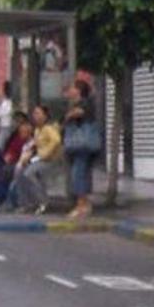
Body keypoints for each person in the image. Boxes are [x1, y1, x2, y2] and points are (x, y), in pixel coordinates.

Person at [14, 104, 62, 215]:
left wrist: (46, 153)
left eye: (38, 113)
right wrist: (25, 159)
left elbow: (56, 141)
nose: (36, 116)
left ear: (45, 116)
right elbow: (34, 146)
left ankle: (42, 202)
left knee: (29, 173)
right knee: (19, 171)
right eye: (34, 114)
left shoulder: (49, 128)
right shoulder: (37, 130)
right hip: (39, 159)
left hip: (50, 160)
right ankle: (25, 203)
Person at [62, 80, 100, 218]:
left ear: (79, 90)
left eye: (73, 88)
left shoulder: (84, 103)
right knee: (80, 173)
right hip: (79, 146)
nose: (70, 91)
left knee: (78, 174)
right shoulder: (79, 104)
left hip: (82, 145)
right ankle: (84, 203)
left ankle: (81, 204)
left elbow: (76, 114)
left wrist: (68, 116)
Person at [0, 80, 15, 147]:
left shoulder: (8, 102)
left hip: (6, 126)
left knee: (1, 145)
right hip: (3, 126)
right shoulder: (5, 102)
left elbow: (1, 114)